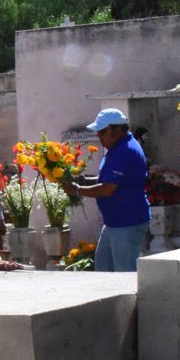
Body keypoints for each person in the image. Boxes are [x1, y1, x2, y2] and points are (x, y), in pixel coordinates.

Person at [63, 109, 150, 272]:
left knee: (124, 275)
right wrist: (83, 181)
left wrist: (77, 189)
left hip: (127, 222)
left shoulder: (125, 150)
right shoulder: (117, 148)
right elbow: (109, 181)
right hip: (115, 223)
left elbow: (107, 189)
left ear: (117, 130)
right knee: (104, 271)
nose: (99, 136)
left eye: (102, 132)